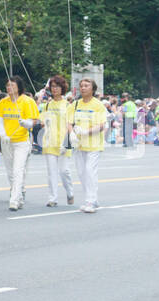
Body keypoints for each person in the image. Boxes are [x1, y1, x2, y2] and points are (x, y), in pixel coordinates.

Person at [0, 76, 39, 211]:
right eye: (8, 85)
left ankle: (14, 199)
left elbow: (34, 121)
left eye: (12, 85)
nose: (9, 88)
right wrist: (3, 134)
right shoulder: (3, 102)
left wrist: (25, 123)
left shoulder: (27, 101)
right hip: (7, 142)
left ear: (19, 87)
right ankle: (18, 195)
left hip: (21, 141)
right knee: (10, 172)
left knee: (18, 170)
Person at [69, 77, 108, 213]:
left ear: (92, 89)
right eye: (81, 86)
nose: (83, 88)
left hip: (94, 144)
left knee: (90, 171)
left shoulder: (98, 105)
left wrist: (86, 132)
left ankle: (90, 201)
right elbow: (69, 121)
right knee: (82, 173)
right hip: (79, 145)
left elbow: (102, 125)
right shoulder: (75, 104)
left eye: (86, 85)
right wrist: (71, 134)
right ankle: (91, 198)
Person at [41, 75, 74, 207]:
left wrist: (66, 144)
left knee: (64, 171)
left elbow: (71, 125)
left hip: (64, 142)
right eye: (53, 87)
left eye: (57, 86)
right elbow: (43, 123)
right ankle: (52, 198)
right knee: (52, 172)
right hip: (50, 142)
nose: (54, 89)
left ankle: (70, 191)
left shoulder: (68, 105)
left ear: (62, 88)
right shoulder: (47, 105)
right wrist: (44, 121)